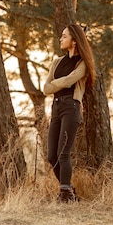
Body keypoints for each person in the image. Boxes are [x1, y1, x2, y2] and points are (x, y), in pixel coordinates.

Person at [43, 24, 96, 202]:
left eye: (64, 36)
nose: (60, 39)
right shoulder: (56, 62)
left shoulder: (83, 64)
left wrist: (56, 83)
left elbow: (70, 81)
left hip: (71, 107)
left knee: (63, 153)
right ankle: (70, 191)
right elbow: (45, 88)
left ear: (74, 41)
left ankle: (64, 194)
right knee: (52, 155)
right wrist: (60, 82)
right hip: (56, 107)